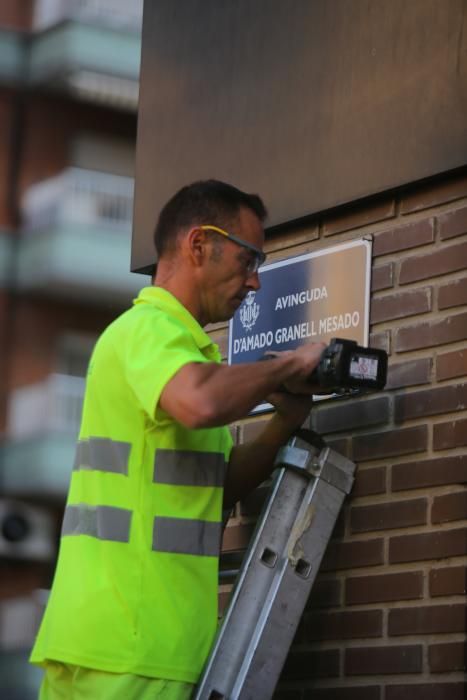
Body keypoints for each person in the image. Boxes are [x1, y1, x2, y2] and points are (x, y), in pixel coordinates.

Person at [30, 180, 325, 699]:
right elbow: (203, 402)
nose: (254, 282)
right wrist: (288, 365)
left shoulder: (174, 352)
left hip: (106, 642)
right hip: (140, 646)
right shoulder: (150, 330)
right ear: (198, 245)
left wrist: (286, 419)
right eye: (248, 259)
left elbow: (215, 492)